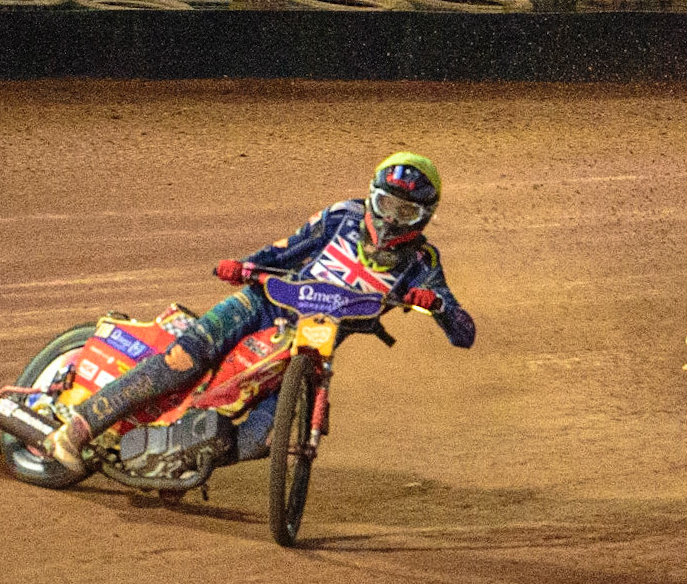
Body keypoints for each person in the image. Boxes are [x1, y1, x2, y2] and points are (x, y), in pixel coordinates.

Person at [44, 152, 476, 473]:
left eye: (406, 212)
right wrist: (244, 265)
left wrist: (437, 305)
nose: (390, 220)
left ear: (424, 217)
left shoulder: (422, 263)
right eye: (385, 205)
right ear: (371, 197)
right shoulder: (340, 217)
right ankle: (77, 429)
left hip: (310, 346)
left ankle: (172, 451)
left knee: (263, 439)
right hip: (260, 305)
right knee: (179, 363)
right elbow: (283, 251)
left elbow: (464, 332)